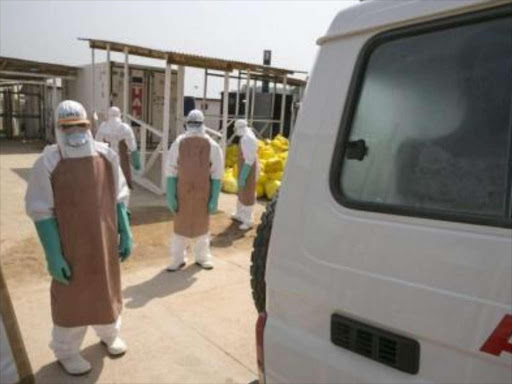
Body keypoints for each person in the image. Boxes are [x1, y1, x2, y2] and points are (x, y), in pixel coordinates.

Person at [25, 100, 132, 376]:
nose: (75, 132)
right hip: (70, 246)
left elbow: (119, 196)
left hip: (104, 240)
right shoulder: (48, 162)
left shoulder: (106, 156)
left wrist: (126, 231)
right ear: (58, 129)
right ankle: (66, 350)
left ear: (89, 125)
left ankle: (109, 334)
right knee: (73, 298)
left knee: (107, 291)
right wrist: (53, 255)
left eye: (80, 126)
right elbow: (41, 211)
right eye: (68, 127)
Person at [165, 109, 224, 271]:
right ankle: (177, 259)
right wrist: (170, 194)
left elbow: (217, 173)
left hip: (202, 193)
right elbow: (171, 169)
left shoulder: (212, 145)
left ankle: (202, 257)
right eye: (192, 123)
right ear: (187, 124)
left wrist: (214, 198)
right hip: (182, 192)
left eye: (197, 124)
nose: (194, 127)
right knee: (180, 228)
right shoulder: (179, 143)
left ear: (202, 124)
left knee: (201, 228)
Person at [96, 106, 141, 190]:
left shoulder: (103, 127)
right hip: (122, 160)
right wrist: (137, 163)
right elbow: (133, 147)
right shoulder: (125, 127)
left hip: (107, 158)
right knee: (122, 186)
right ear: (120, 115)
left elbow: (97, 144)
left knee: (109, 184)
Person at [231, 119, 258, 230]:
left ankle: (248, 220)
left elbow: (249, 160)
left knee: (248, 193)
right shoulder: (245, 136)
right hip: (244, 168)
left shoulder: (247, 139)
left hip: (248, 170)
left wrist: (243, 176)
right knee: (242, 192)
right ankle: (239, 214)